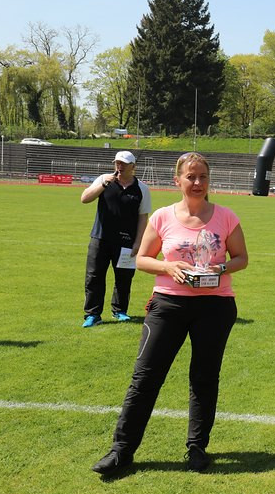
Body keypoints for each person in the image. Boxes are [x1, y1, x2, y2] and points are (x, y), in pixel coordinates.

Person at [92, 152, 248, 476]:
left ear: (209, 180)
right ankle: (122, 450)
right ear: (177, 180)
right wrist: (168, 265)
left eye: (202, 176)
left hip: (215, 306)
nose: (197, 183)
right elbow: (142, 259)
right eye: (190, 177)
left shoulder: (226, 217)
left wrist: (220, 267)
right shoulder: (163, 217)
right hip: (168, 305)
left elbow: (241, 258)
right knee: (145, 377)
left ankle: (197, 448)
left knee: (204, 379)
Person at [79, 150, 151, 327]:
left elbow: (143, 217)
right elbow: (84, 198)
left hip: (126, 241)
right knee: (94, 277)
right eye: (117, 163)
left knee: (124, 278)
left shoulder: (142, 188)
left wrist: (138, 242)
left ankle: (120, 311)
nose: (120, 166)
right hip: (100, 238)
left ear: (133, 166)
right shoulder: (104, 179)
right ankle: (93, 314)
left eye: (124, 163)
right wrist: (103, 185)